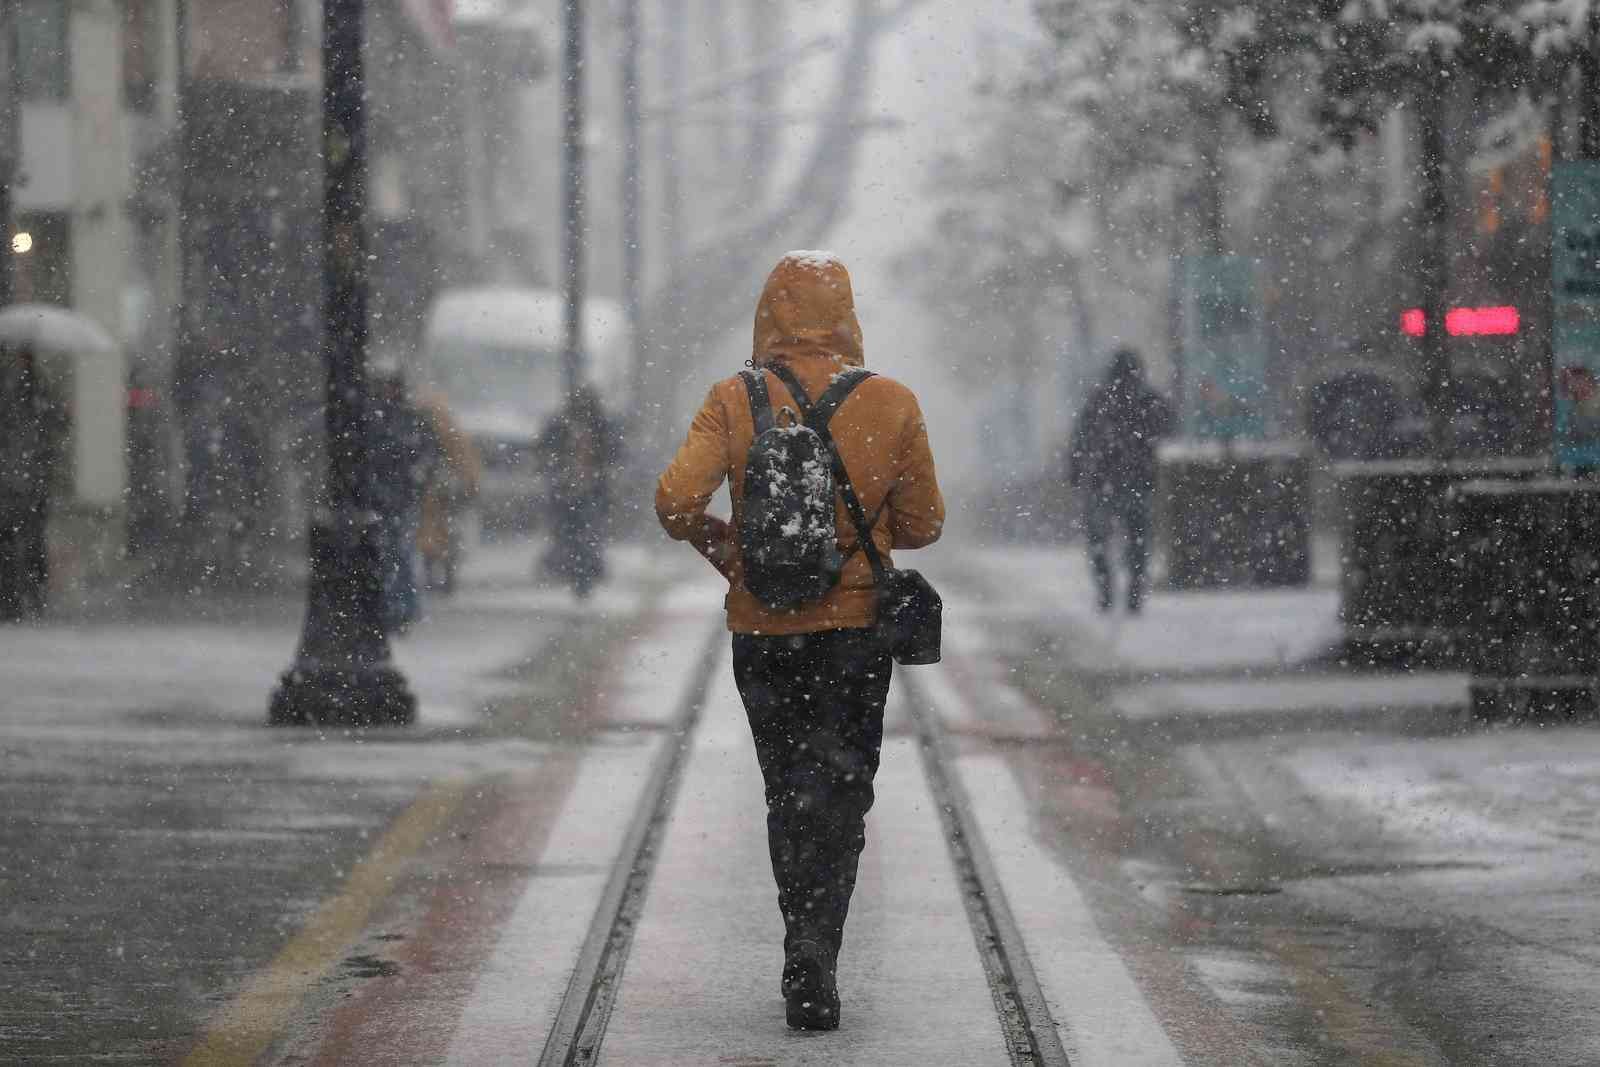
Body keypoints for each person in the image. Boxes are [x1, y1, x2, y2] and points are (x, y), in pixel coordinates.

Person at [655, 251, 945, 1031]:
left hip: (764, 631)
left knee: (787, 789)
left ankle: (799, 934)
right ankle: (818, 946)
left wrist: (732, 553)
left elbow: (676, 498)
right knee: (841, 790)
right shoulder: (891, 401)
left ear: (769, 314)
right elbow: (924, 525)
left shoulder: (735, 397)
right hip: (855, 635)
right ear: (847, 315)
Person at [1068, 347, 1174, 614]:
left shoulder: (1099, 400)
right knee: (1139, 541)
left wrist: (1076, 471)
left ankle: (1106, 591)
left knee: (1098, 540)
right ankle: (1134, 593)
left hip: (1103, 482)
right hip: (1139, 482)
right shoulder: (1149, 400)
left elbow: (1080, 439)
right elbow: (1167, 429)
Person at [368, 367, 440, 633]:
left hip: (400, 497)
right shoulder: (390, 419)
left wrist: (416, 477)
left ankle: (399, 610)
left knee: (399, 552)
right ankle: (395, 609)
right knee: (393, 553)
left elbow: (427, 454)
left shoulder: (408, 420)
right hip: (386, 496)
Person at [0, 344, 66, 621]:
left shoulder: (16, 389)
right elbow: (55, 426)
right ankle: (29, 597)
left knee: (17, 540)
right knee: (30, 540)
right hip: (28, 479)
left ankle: (17, 598)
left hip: (18, 479)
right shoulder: (39, 389)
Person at [538, 385, 620, 599]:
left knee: (580, 532)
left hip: (581, 490)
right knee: (578, 532)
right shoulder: (592, 425)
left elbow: (614, 452)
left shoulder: (589, 426)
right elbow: (615, 452)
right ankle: (579, 571)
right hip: (576, 490)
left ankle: (581, 572)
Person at [415, 387, 481, 595]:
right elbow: (468, 464)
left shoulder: (439, 431)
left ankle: (439, 577)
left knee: (436, 538)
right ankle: (443, 578)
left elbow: (465, 463)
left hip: (440, 494)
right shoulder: (449, 430)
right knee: (442, 538)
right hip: (441, 495)